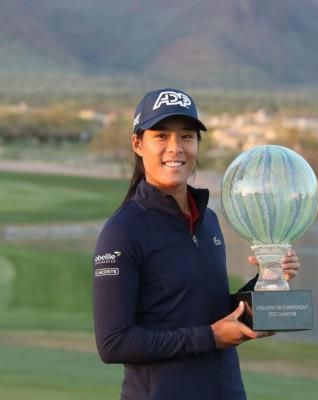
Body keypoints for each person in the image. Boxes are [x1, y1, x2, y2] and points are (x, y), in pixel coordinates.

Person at [92, 88, 300, 400]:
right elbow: (114, 343)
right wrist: (211, 337)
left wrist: (267, 284)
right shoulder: (123, 230)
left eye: (187, 137)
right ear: (138, 144)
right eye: (161, 136)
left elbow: (205, 310)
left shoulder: (209, 220)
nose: (175, 148)